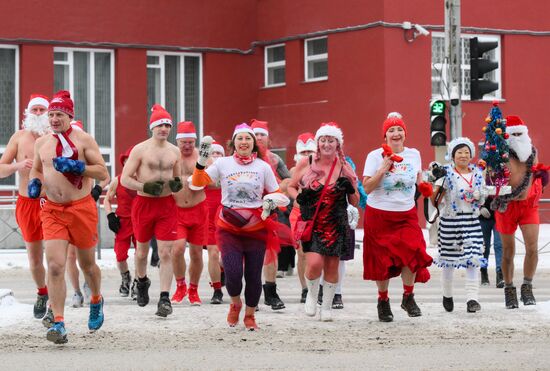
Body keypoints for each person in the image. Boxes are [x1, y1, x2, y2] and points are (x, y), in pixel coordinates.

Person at [191, 124, 290, 330]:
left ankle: (250, 315)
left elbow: (279, 195)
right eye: (240, 138)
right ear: (233, 143)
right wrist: (201, 162)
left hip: (256, 229)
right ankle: (235, 303)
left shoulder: (263, 167)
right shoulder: (223, 164)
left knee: (253, 275)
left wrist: (270, 202)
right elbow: (196, 183)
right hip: (229, 227)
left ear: (254, 143)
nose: (244, 142)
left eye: (248, 138)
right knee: (233, 273)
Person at [29, 90, 108, 343]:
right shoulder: (42, 142)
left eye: (58, 114)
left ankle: (96, 298)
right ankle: (59, 323)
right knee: (54, 266)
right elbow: (36, 170)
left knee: (86, 265)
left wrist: (79, 166)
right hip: (52, 210)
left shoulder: (84, 140)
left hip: (80, 208)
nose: (53, 119)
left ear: (69, 116)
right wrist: (34, 184)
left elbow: (102, 172)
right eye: (51, 114)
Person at [362, 112, 433, 322]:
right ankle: (383, 301)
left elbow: (419, 180)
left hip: (406, 214)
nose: (396, 133)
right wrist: (383, 169)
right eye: (391, 130)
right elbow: (366, 187)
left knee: (413, 251)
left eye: (399, 129)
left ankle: (408, 296)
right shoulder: (375, 156)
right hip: (379, 215)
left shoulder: (414, 155)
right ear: (385, 135)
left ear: (405, 134)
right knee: (381, 261)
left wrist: (425, 186)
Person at [288, 122, 359, 321]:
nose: (327, 144)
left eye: (331, 141)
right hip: (313, 221)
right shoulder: (307, 162)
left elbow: (354, 201)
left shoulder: (344, 167)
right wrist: (299, 199)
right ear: (318, 143)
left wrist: (350, 187)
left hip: (336, 223)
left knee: (332, 266)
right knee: (314, 263)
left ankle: (326, 307)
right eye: (323, 140)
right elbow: (292, 187)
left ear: (338, 144)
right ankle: (311, 294)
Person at [121, 104, 182, 317]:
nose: (164, 128)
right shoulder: (140, 149)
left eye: (167, 125)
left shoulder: (174, 151)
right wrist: (144, 186)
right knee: (141, 252)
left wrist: (176, 184)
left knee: (166, 252)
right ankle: (142, 280)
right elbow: (125, 179)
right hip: (144, 204)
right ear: (152, 127)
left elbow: (178, 176)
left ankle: (164, 298)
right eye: (160, 124)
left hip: (166, 206)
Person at [0, 94, 50, 320]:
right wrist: (18, 165)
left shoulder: (54, 137)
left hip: (51, 202)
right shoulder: (19, 137)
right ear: (28, 113)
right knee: (34, 258)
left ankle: (58, 302)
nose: (38, 114)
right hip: (26, 203)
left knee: (57, 257)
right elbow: (1, 169)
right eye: (35, 110)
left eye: (42, 110)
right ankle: (42, 292)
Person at [493, 116, 545, 309]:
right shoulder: (499, 154)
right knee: (508, 251)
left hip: (528, 205)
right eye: (512, 134)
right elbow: (491, 177)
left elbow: (538, 173)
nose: (517, 137)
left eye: (519, 134)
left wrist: (540, 184)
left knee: (532, 248)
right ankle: (509, 289)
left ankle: (527, 286)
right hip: (506, 206)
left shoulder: (532, 151)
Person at [431, 137, 487, 313]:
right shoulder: (446, 173)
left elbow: (484, 195)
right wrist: (438, 182)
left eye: (466, 152)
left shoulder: (477, 174)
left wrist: (479, 195)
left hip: (471, 220)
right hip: (450, 221)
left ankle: (472, 299)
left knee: (472, 260)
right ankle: (447, 294)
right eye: (459, 152)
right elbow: (434, 200)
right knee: (448, 261)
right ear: (452, 155)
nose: (463, 155)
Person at [251, 119, 289, 310]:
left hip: (270, 210)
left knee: (270, 252)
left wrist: (277, 189)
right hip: (247, 211)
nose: (258, 138)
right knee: (250, 253)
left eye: (262, 135)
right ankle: (252, 294)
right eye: (255, 134)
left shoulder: (274, 159)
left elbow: (289, 180)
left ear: (268, 138)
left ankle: (271, 292)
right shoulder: (241, 158)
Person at [171, 121, 210, 306]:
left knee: (196, 253)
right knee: (177, 249)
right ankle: (180, 285)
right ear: (177, 142)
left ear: (195, 142)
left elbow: (214, 179)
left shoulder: (203, 157)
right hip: (177, 210)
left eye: (190, 142)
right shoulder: (172, 156)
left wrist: (201, 179)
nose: (187, 146)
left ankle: (193, 289)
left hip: (198, 209)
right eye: (183, 142)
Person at [104, 146, 137, 298]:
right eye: (128, 161)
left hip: (140, 221)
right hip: (122, 222)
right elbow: (107, 199)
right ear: (124, 163)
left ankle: (139, 281)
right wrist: (110, 215)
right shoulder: (117, 180)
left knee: (141, 254)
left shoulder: (144, 180)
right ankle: (125, 277)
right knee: (120, 255)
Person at [288, 133, 317, 303]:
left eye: (309, 151)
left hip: (318, 214)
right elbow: (289, 186)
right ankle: (305, 289)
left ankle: (317, 285)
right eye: (303, 152)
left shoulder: (324, 167)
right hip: (299, 214)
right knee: (302, 253)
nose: (306, 155)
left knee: (318, 252)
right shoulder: (295, 169)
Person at [203, 140, 226, 304]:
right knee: (212, 253)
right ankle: (217, 290)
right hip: (209, 217)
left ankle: (223, 271)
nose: (216, 156)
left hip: (227, 216)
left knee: (225, 257)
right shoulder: (203, 171)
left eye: (220, 153)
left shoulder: (229, 171)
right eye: (213, 153)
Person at [479, 196, 504, 288]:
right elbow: (471, 194)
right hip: (483, 217)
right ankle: (483, 272)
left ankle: (500, 274)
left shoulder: (503, 180)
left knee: (499, 245)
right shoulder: (479, 180)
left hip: (499, 216)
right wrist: (479, 208)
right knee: (484, 247)